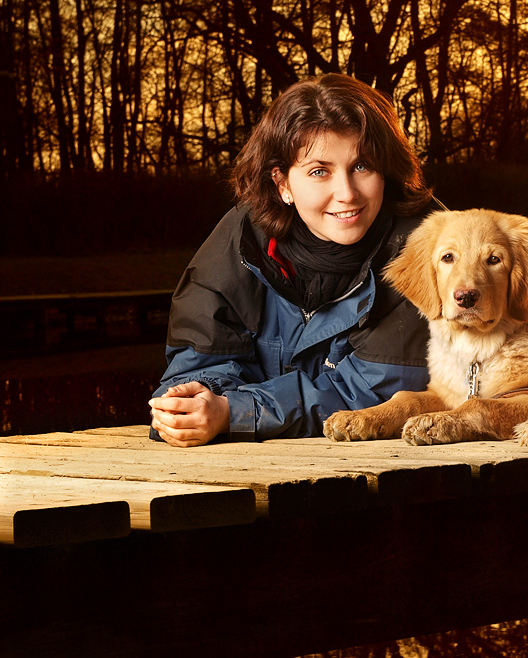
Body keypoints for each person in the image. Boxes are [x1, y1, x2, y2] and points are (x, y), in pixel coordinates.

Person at [148, 74, 437, 447]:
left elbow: (376, 391)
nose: (346, 193)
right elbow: (200, 359)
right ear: (283, 184)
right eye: (320, 171)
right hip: (251, 469)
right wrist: (193, 404)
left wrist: (233, 413)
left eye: (362, 166)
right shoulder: (242, 240)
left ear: (386, 171)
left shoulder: (432, 252)